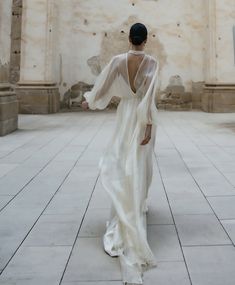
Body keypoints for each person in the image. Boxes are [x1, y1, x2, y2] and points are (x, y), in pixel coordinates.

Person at [82, 23, 159, 285]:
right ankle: (138, 201)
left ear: (129, 38)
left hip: (125, 114)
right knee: (142, 162)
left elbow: (103, 87)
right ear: (146, 40)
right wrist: (148, 125)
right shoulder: (152, 62)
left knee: (123, 160)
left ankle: (128, 203)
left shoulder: (117, 61)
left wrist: (90, 100)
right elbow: (149, 98)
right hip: (141, 116)